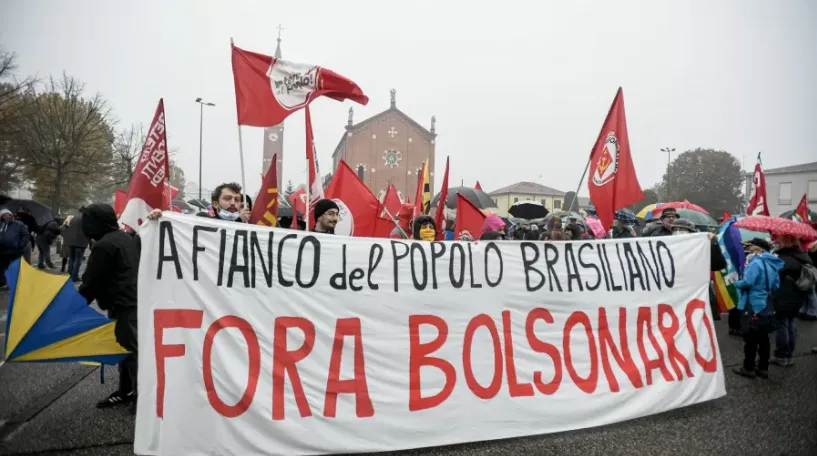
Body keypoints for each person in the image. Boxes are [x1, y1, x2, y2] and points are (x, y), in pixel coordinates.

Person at [78, 204, 140, 414]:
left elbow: (92, 281)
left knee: (131, 353)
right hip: (129, 302)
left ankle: (140, 400)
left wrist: (74, 307)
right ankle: (126, 391)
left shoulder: (104, 245)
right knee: (125, 351)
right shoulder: (124, 238)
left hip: (125, 305)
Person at [732, 238, 783, 379]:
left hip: (752, 304)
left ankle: (748, 367)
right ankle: (763, 368)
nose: (748, 250)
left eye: (751, 248)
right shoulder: (773, 263)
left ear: (759, 250)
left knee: (750, 338)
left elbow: (747, 282)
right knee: (764, 337)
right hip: (766, 303)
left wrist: (736, 283)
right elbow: (776, 285)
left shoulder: (755, 263)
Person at [769, 234, 814, 367]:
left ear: (785, 241)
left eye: (778, 239)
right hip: (798, 295)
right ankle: (789, 355)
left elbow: (775, 278)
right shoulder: (802, 256)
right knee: (791, 323)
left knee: (782, 324)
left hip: (784, 296)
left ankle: (782, 355)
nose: (775, 241)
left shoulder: (784, 259)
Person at [0, 209, 30, 289]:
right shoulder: (1, 224)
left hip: (15, 251)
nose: (7, 216)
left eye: (9, 215)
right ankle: (4, 283)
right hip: (2, 251)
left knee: (16, 267)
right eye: (5, 215)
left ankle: (17, 283)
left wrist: (21, 245)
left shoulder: (18, 224)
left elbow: (26, 235)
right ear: (1, 216)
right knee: (3, 268)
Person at [63, 208, 90, 282]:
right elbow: (89, 231)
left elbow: (63, 227)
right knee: (77, 260)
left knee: (71, 258)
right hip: (81, 242)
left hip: (70, 241)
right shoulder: (86, 219)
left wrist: (66, 237)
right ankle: (74, 276)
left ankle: (69, 275)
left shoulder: (70, 217)